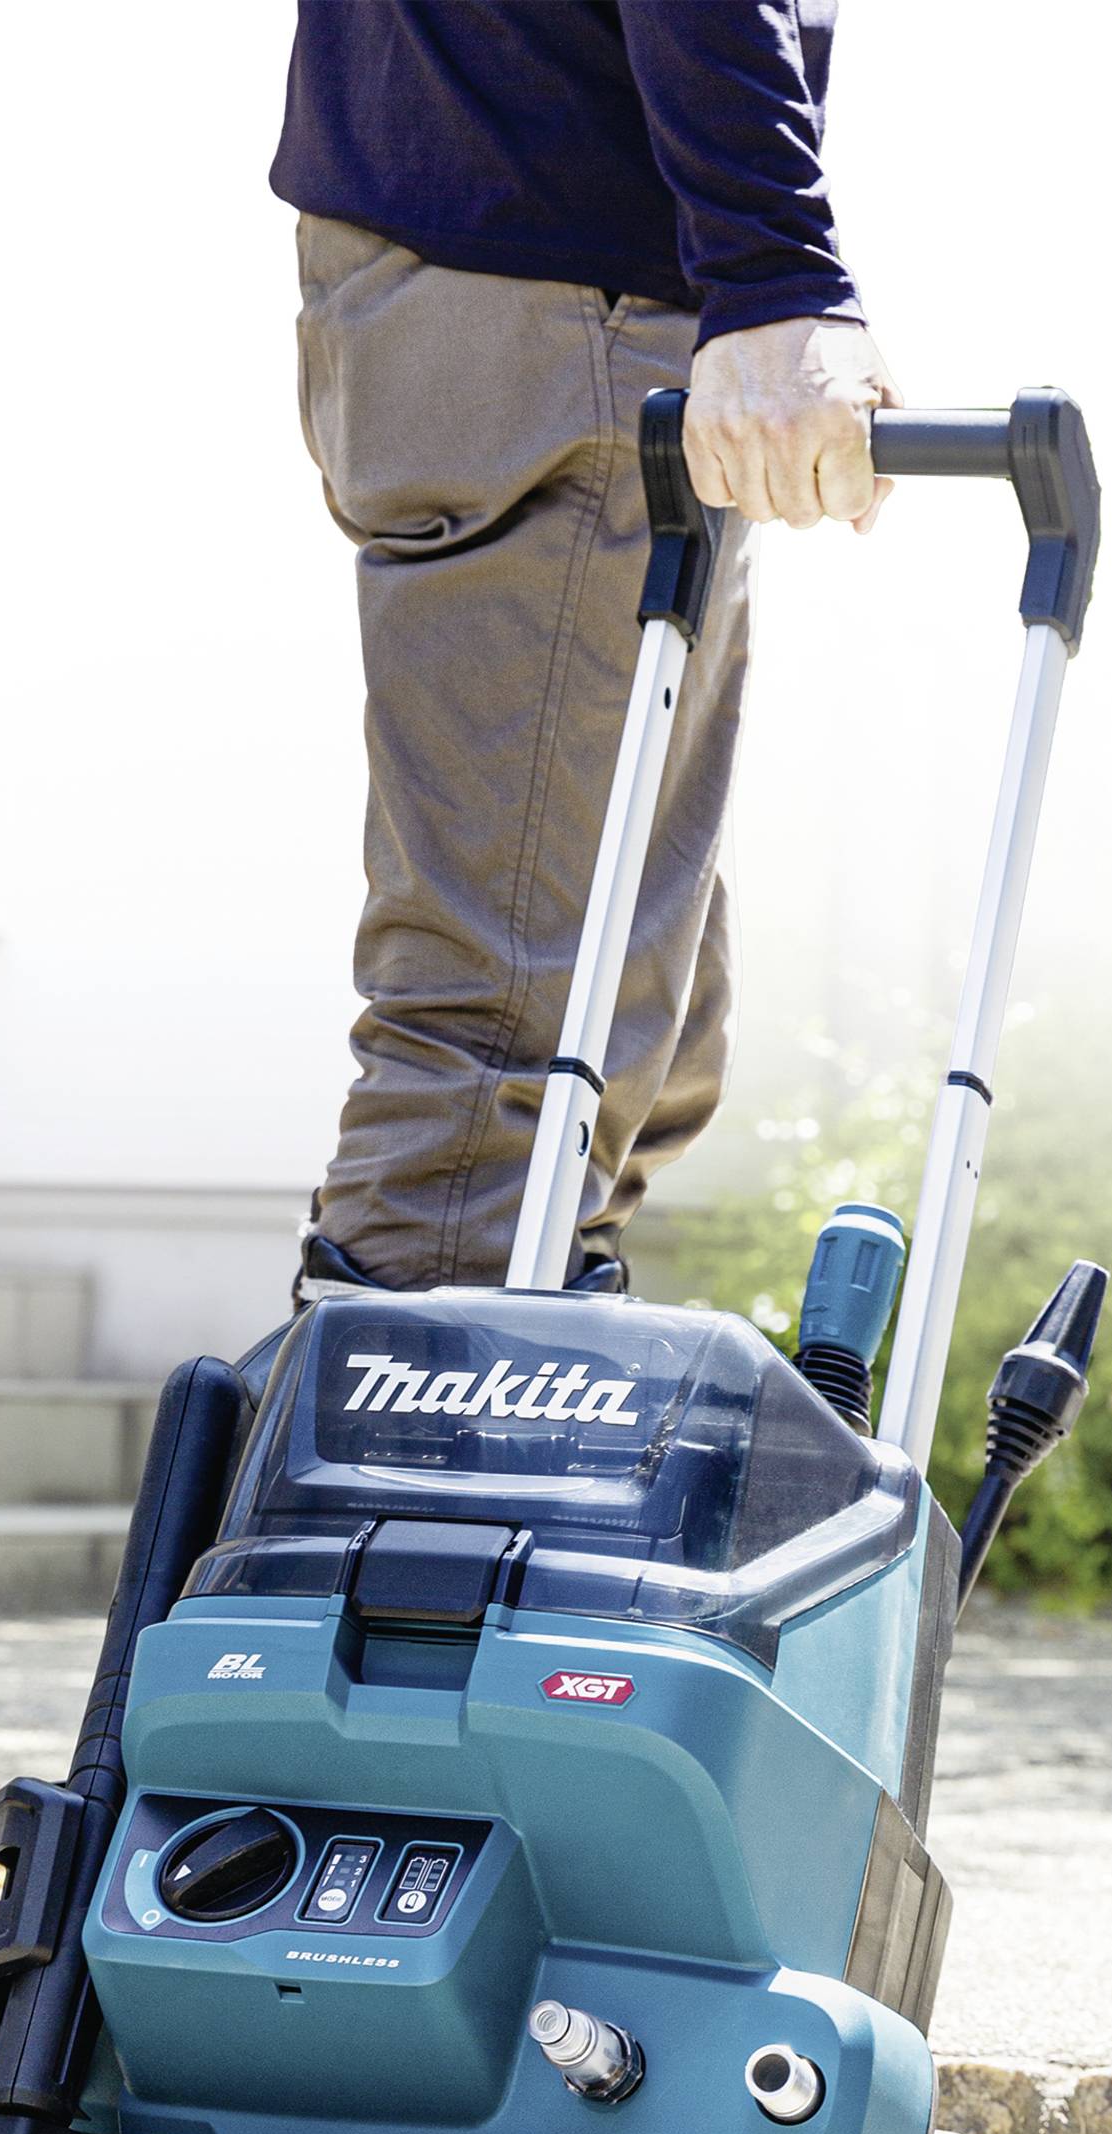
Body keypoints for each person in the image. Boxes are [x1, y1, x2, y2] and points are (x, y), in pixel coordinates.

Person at [271, 0, 896, 1302]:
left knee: (624, 1026)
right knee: (520, 1052)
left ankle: (503, 1379)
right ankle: (422, 1459)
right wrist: (778, 270)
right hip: (554, 288)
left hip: (514, 270)